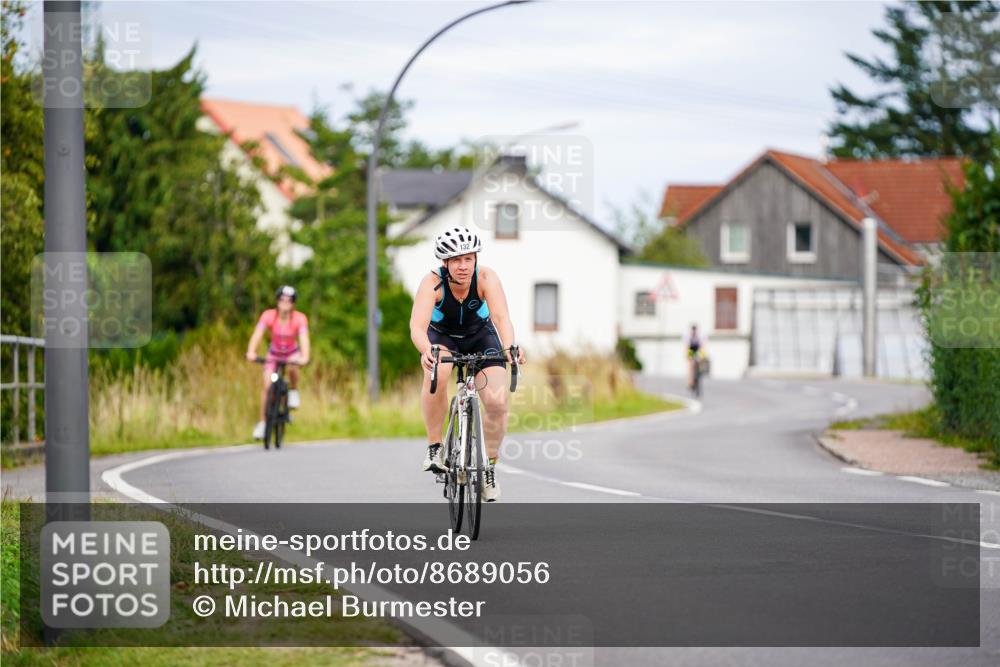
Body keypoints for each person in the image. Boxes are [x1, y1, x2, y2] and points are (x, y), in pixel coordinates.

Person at [409, 226, 525, 502]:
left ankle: (489, 468)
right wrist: (426, 350)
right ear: (445, 262)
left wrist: (510, 347)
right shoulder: (432, 283)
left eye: (468, 259)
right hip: (442, 337)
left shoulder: (486, 278)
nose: (463, 266)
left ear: (475, 259)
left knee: (497, 403)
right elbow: (417, 327)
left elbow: (501, 318)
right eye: (456, 260)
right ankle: (435, 447)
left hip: (480, 336)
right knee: (439, 370)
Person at [245, 285, 310, 440]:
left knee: (294, 365)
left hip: (291, 353)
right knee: (267, 385)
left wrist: (305, 357)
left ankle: (293, 391)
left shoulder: (299, 318)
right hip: (273, 355)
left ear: (293, 303)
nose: (285, 303)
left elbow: (304, 339)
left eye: (289, 300)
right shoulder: (268, 316)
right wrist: (251, 352)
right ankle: (263, 423)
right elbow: (257, 334)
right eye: (282, 299)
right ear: (277, 301)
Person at [683, 323, 705, 391]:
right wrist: (688, 356)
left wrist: (702, 356)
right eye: (693, 330)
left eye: (695, 330)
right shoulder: (688, 336)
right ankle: (691, 382)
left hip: (697, 349)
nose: (694, 332)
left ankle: (700, 372)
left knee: (701, 361)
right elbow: (687, 346)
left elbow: (702, 346)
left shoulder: (700, 336)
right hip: (691, 349)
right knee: (691, 365)